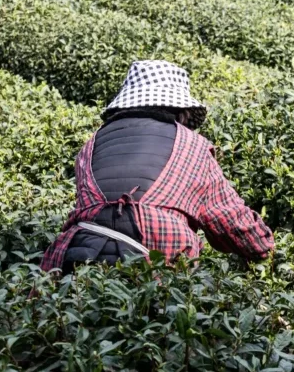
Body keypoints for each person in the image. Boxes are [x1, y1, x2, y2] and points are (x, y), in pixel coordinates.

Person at [41, 60, 274, 275]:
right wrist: (264, 249)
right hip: (159, 250)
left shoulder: (92, 143)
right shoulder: (191, 144)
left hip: (79, 250)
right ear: (181, 113)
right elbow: (228, 218)